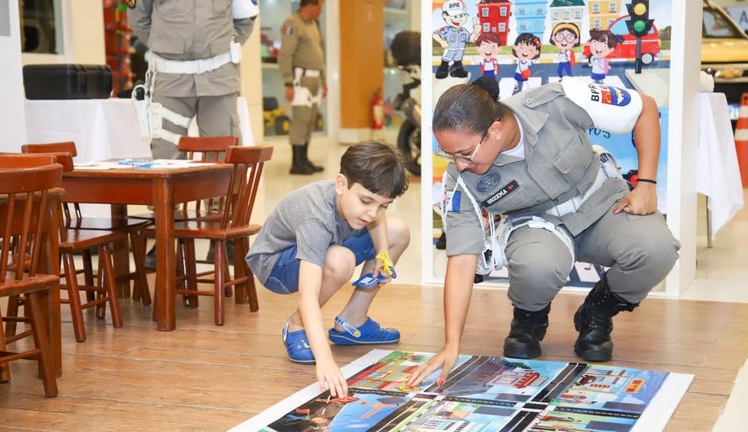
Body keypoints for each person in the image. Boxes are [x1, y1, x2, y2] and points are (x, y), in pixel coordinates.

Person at [407, 76, 679, 387]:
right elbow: (461, 259)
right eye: (449, 154)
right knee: (537, 266)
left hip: (602, 205)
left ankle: (597, 312)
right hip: (538, 226)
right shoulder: (460, 179)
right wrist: (450, 343)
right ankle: (529, 317)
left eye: (465, 153)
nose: (460, 164)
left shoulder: (559, 99)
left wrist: (646, 184)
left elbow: (644, 108)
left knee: (657, 249)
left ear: (495, 130)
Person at [246, 141, 410, 398]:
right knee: (339, 260)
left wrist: (382, 253)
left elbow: (376, 215)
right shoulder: (316, 217)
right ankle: (296, 324)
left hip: (322, 247)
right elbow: (308, 294)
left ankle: (353, 320)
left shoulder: (365, 205)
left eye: (383, 205)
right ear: (341, 184)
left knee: (397, 232)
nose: (372, 212)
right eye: (366, 200)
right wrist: (325, 360)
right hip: (275, 265)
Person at [126, 0, 257, 159]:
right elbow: (138, 17)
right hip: (170, 80)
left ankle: (220, 194)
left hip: (219, 80)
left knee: (224, 156)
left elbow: (245, 18)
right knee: (166, 158)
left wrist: (219, 47)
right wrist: (166, 44)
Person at [279, 0, 327, 175]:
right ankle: (296, 162)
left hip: (315, 79)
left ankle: (305, 159)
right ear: (310, 5)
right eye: (320, 7)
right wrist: (288, 83)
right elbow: (286, 55)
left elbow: (318, 56)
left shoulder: (313, 25)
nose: (321, 11)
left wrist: (323, 81)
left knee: (310, 120)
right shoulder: (292, 24)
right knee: (300, 120)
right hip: (300, 80)